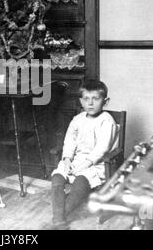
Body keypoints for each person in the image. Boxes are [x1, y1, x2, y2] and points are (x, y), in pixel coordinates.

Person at [50, 79, 118, 229]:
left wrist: (84, 165)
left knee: (81, 182)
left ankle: (58, 218)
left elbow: (102, 148)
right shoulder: (77, 119)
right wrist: (67, 159)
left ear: (105, 102)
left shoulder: (107, 121)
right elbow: (69, 141)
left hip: (96, 163)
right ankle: (59, 217)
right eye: (86, 99)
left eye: (95, 99)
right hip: (75, 160)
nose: (90, 103)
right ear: (81, 101)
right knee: (57, 178)